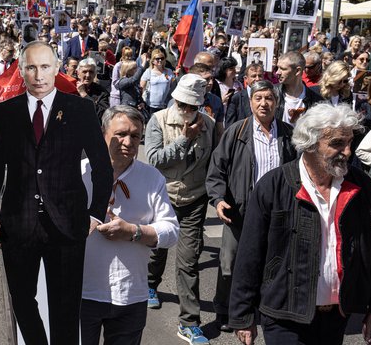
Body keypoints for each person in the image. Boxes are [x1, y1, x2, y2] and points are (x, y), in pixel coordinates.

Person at [0, 41, 113, 345]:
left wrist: (95, 212)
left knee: (65, 308)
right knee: (22, 301)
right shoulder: (4, 113)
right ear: (22, 71)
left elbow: (103, 168)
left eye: (45, 67)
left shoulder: (80, 109)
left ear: (57, 69)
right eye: (32, 67)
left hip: (67, 223)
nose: (39, 75)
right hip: (18, 223)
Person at [229, 103, 371, 345]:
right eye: (337, 143)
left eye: (350, 142)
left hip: (337, 316)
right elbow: (249, 253)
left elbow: (370, 250)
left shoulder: (360, 186)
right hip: (284, 315)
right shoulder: (274, 186)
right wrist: (242, 314)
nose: (348, 152)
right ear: (310, 143)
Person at [80, 105, 180, 345]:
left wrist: (134, 232)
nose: (128, 141)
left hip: (130, 293)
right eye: (121, 134)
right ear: (102, 134)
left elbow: (171, 231)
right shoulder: (77, 173)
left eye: (135, 136)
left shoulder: (151, 177)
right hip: (81, 292)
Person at [205, 80, 297, 334]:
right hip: (240, 211)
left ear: (277, 102)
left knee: (272, 261)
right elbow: (216, 171)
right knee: (231, 263)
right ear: (250, 101)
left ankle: (264, 309)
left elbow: (299, 171)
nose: (264, 103)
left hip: (278, 212)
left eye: (269, 98)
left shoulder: (289, 135)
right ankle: (225, 310)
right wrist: (218, 198)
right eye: (258, 98)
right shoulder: (237, 132)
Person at [145, 74, 217, 344]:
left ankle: (189, 322)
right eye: (182, 104)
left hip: (194, 200)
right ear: (174, 99)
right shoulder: (159, 120)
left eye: (192, 106)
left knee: (188, 262)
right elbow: (154, 159)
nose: (186, 111)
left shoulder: (209, 125)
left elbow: (215, 163)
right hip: (162, 198)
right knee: (157, 250)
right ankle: (151, 285)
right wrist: (184, 140)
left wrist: (215, 195)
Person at [274, 51, 323, 126]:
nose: (277, 72)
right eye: (277, 68)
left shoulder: (315, 100)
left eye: (283, 69)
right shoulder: (272, 93)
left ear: (297, 71)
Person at [225, 63, 264, 128]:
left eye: (260, 76)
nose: (257, 79)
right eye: (254, 76)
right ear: (246, 79)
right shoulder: (237, 98)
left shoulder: (269, 96)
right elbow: (230, 125)